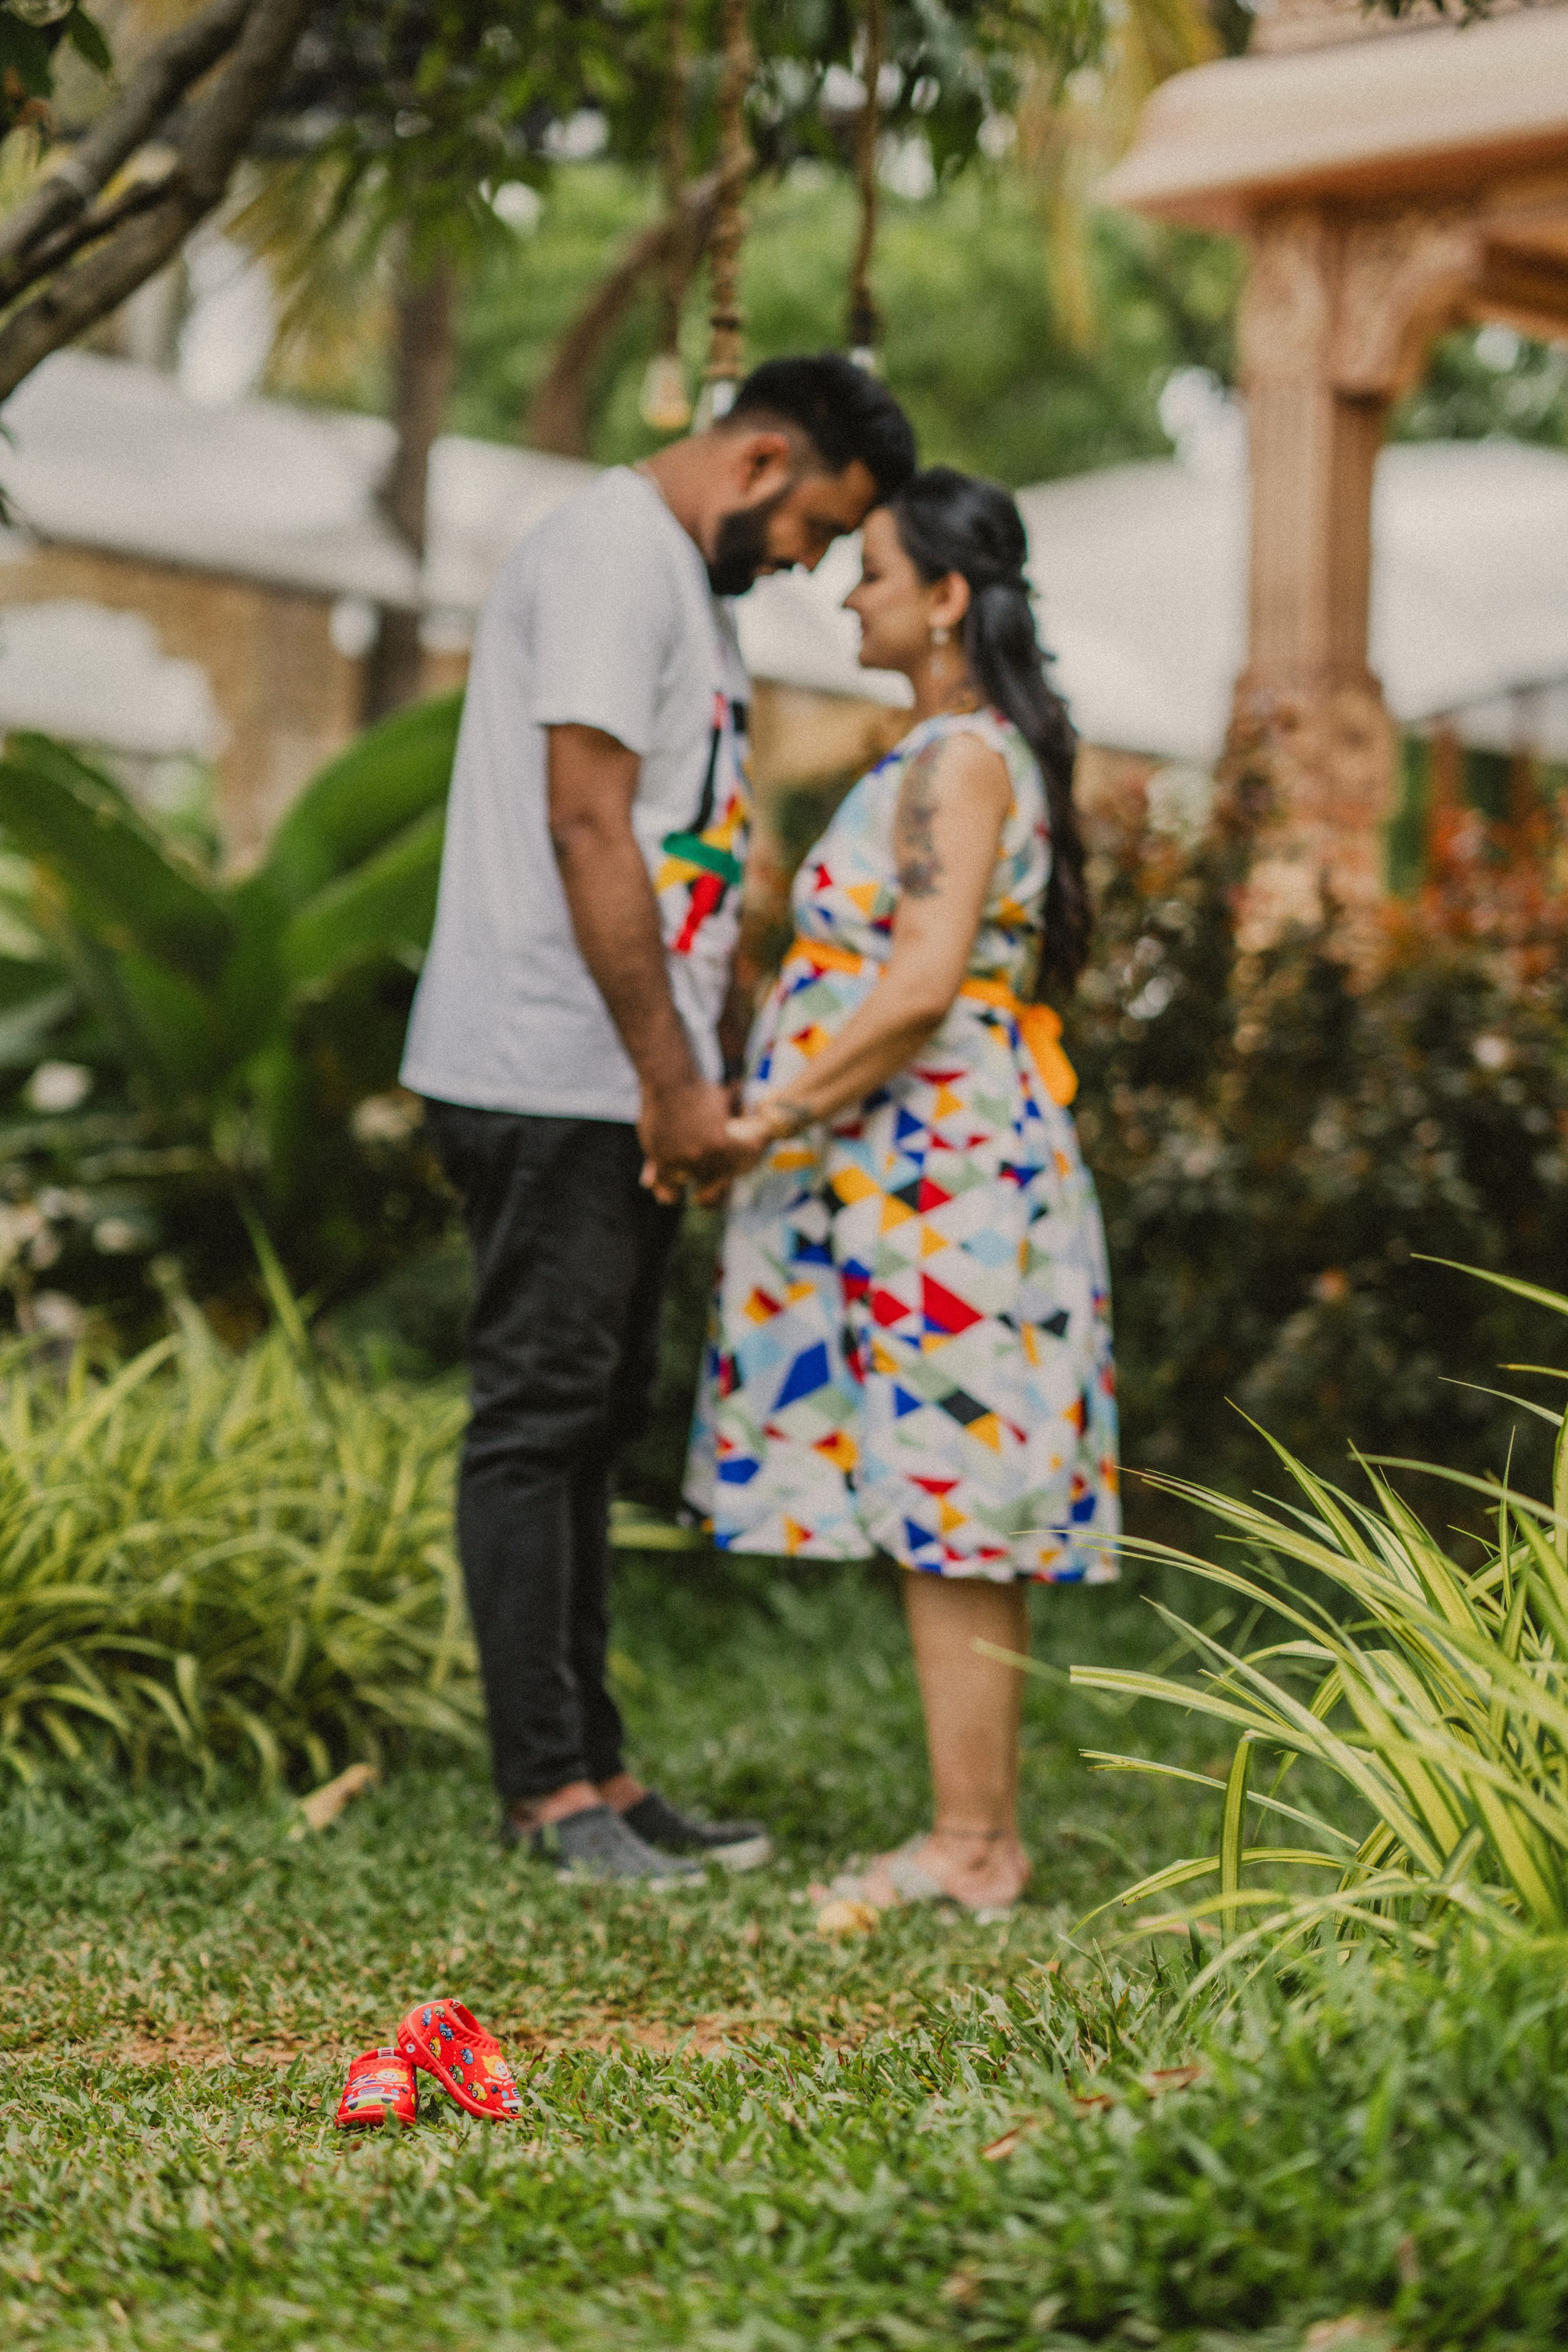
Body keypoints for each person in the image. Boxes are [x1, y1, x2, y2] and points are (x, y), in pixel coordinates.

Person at [401, 355, 918, 1883]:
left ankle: (599, 1774)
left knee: (589, 1422)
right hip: (549, 1066)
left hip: (613, 1071)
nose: (812, 563)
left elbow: (675, 842)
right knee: (538, 1418)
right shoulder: (616, 554)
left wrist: (707, 1048)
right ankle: (545, 1795)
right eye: (817, 527)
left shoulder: (682, 590)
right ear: (761, 460)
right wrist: (668, 1075)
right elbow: (584, 816)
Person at [682, 466, 1119, 1916]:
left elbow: (920, 984)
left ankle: (973, 1847)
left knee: (954, 1498)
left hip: (936, 1174)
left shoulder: (959, 761)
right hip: (909, 1172)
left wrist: (765, 1113)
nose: (845, 590)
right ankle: (970, 1832)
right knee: (944, 1498)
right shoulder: (945, 749)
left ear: (943, 597)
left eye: (870, 569)